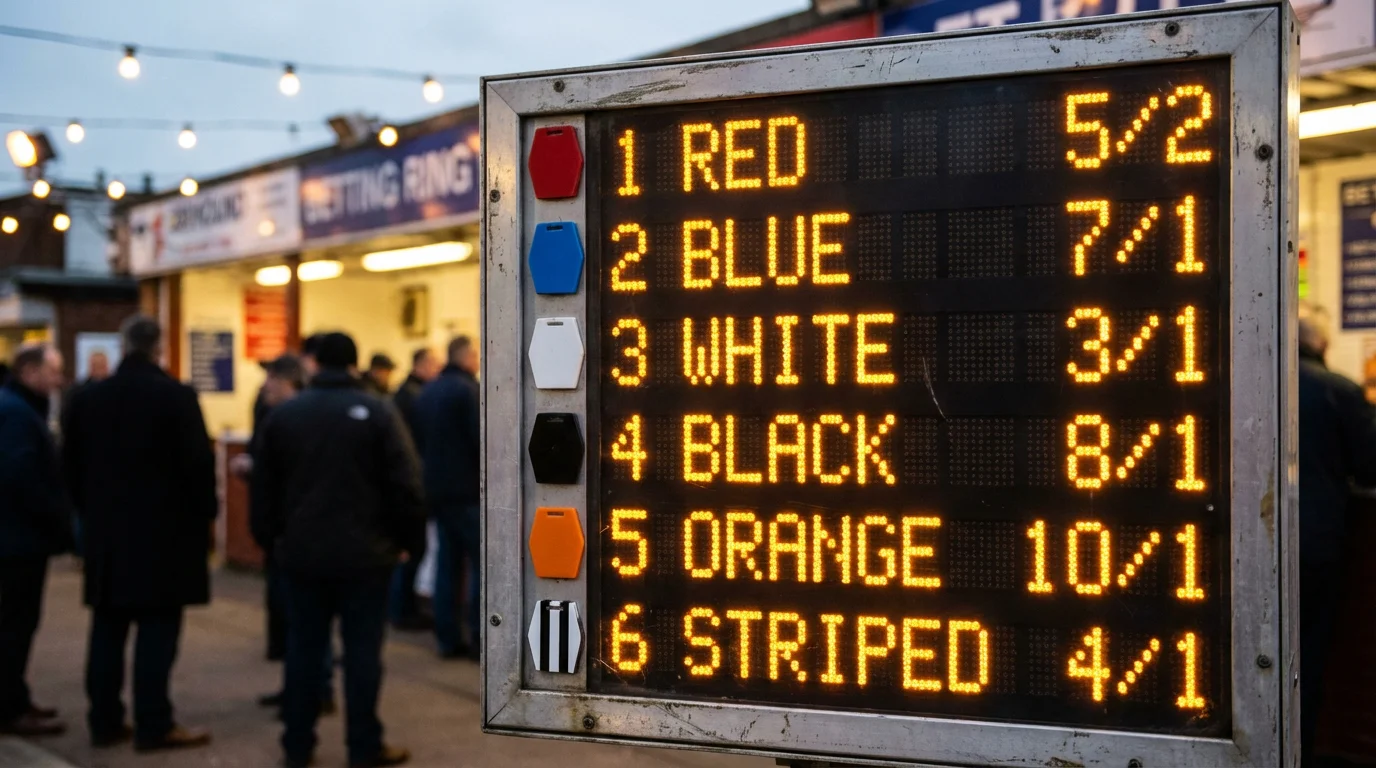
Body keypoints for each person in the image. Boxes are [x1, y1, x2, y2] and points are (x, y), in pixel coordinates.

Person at [252, 332, 424, 768]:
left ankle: (297, 744)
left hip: (301, 555)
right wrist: (408, 543)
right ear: (353, 365)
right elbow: (406, 485)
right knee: (363, 653)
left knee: (304, 650)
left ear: (314, 365)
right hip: (367, 557)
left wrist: (271, 541)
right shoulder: (377, 412)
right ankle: (364, 746)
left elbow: (264, 488)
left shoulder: (285, 415)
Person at [62, 316, 216, 752]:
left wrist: (88, 516)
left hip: (108, 536)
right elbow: (197, 468)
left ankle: (105, 721)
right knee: (157, 634)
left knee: (107, 631)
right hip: (165, 538)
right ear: (159, 348)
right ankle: (154, 723)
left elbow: (70, 466)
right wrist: (204, 520)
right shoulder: (176, 397)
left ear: (122, 346)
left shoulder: (90, 399)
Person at [1298, 302, 1376, 765]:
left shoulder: (1248, 382)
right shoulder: (1340, 391)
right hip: (1316, 544)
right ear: (1323, 344)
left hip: (1245, 548)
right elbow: (1370, 463)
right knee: (1306, 658)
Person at [0, 344, 72, 736]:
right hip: (17, 541)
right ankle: (10, 707)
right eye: (53, 371)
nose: (58, 380)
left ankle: (15, 698)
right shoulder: (16, 413)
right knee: (15, 624)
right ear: (29, 372)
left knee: (17, 623)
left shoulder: (18, 408)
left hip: (19, 537)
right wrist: (54, 514)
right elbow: (19, 474)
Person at [414, 336, 480, 659]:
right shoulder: (469, 392)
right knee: (482, 565)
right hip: (468, 492)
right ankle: (481, 638)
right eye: (477, 354)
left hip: (437, 492)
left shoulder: (428, 391)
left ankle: (447, 638)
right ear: (466, 357)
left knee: (446, 565)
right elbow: (480, 442)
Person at [388, 347, 439, 631]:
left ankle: (401, 609)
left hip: (410, 482)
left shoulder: (408, 394)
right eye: (433, 363)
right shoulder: (412, 397)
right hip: (412, 484)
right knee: (410, 550)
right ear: (421, 364)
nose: (437, 369)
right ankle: (401, 611)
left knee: (411, 550)